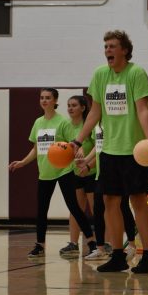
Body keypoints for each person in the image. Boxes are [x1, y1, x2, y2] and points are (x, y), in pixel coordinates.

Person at [71, 30, 148, 274]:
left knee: (138, 200)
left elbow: (143, 109)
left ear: (125, 50)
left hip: (135, 151)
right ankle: (118, 255)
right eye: (106, 46)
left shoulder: (136, 73)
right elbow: (95, 112)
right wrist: (78, 140)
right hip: (108, 149)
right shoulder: (100, 75)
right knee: (110, 201)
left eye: (112, 46)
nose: (107, 50)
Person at [8, 88, 97, 258]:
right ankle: (40, 245)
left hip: (64, 171)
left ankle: (92, 242)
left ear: (55, 101)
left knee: (74, 208)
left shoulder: (63, 122)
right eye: (42, 98)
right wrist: (23, 162)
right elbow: (36, 149)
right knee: (41, 210)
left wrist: (80, 154)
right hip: (45, 172)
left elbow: (73, 143)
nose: (44, 101)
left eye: (48, 98)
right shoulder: (38, 122)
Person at [79, 125, 137, 262]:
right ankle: (100, 248)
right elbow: (98, 147)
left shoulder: (115, 123)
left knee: (123, 207)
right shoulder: (96, 126)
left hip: (118, 172)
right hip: (101, 173)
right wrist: (86, 161)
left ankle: (132, 245)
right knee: (98, 210)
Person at [59, 95, 96, 257]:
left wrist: (88, 163)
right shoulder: (65, 126)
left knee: (97, 210)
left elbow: (99, 148)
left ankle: (102, 243)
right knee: (76, 210)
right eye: (68, 105)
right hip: (74, 173)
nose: (70, 108)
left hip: (92, 172)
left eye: (74, 105)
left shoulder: (89, 125)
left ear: (82, 107)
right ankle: (73, 244)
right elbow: (61, 149)